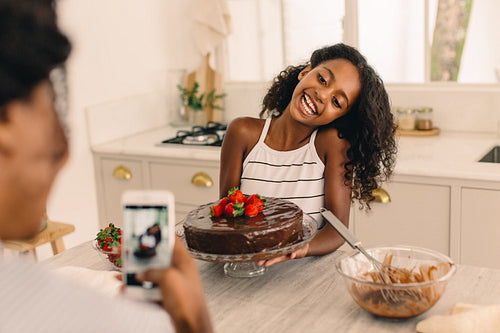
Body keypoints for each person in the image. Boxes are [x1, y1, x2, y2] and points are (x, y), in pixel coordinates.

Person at [0, 0, 212, 332]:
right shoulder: (121, 321)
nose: (65, 151)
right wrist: (192, 322)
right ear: (8, 126)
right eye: (54, 103)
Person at [219, 43, 397, 267]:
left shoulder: (332, 145)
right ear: (305, 72)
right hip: (243, 267)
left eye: (336, 101)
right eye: (322, 80)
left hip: (301, 272)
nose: (322, 95)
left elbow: (337, 231)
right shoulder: (242, 133)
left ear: (340, 117)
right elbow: (225, 214)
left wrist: (300, 249)